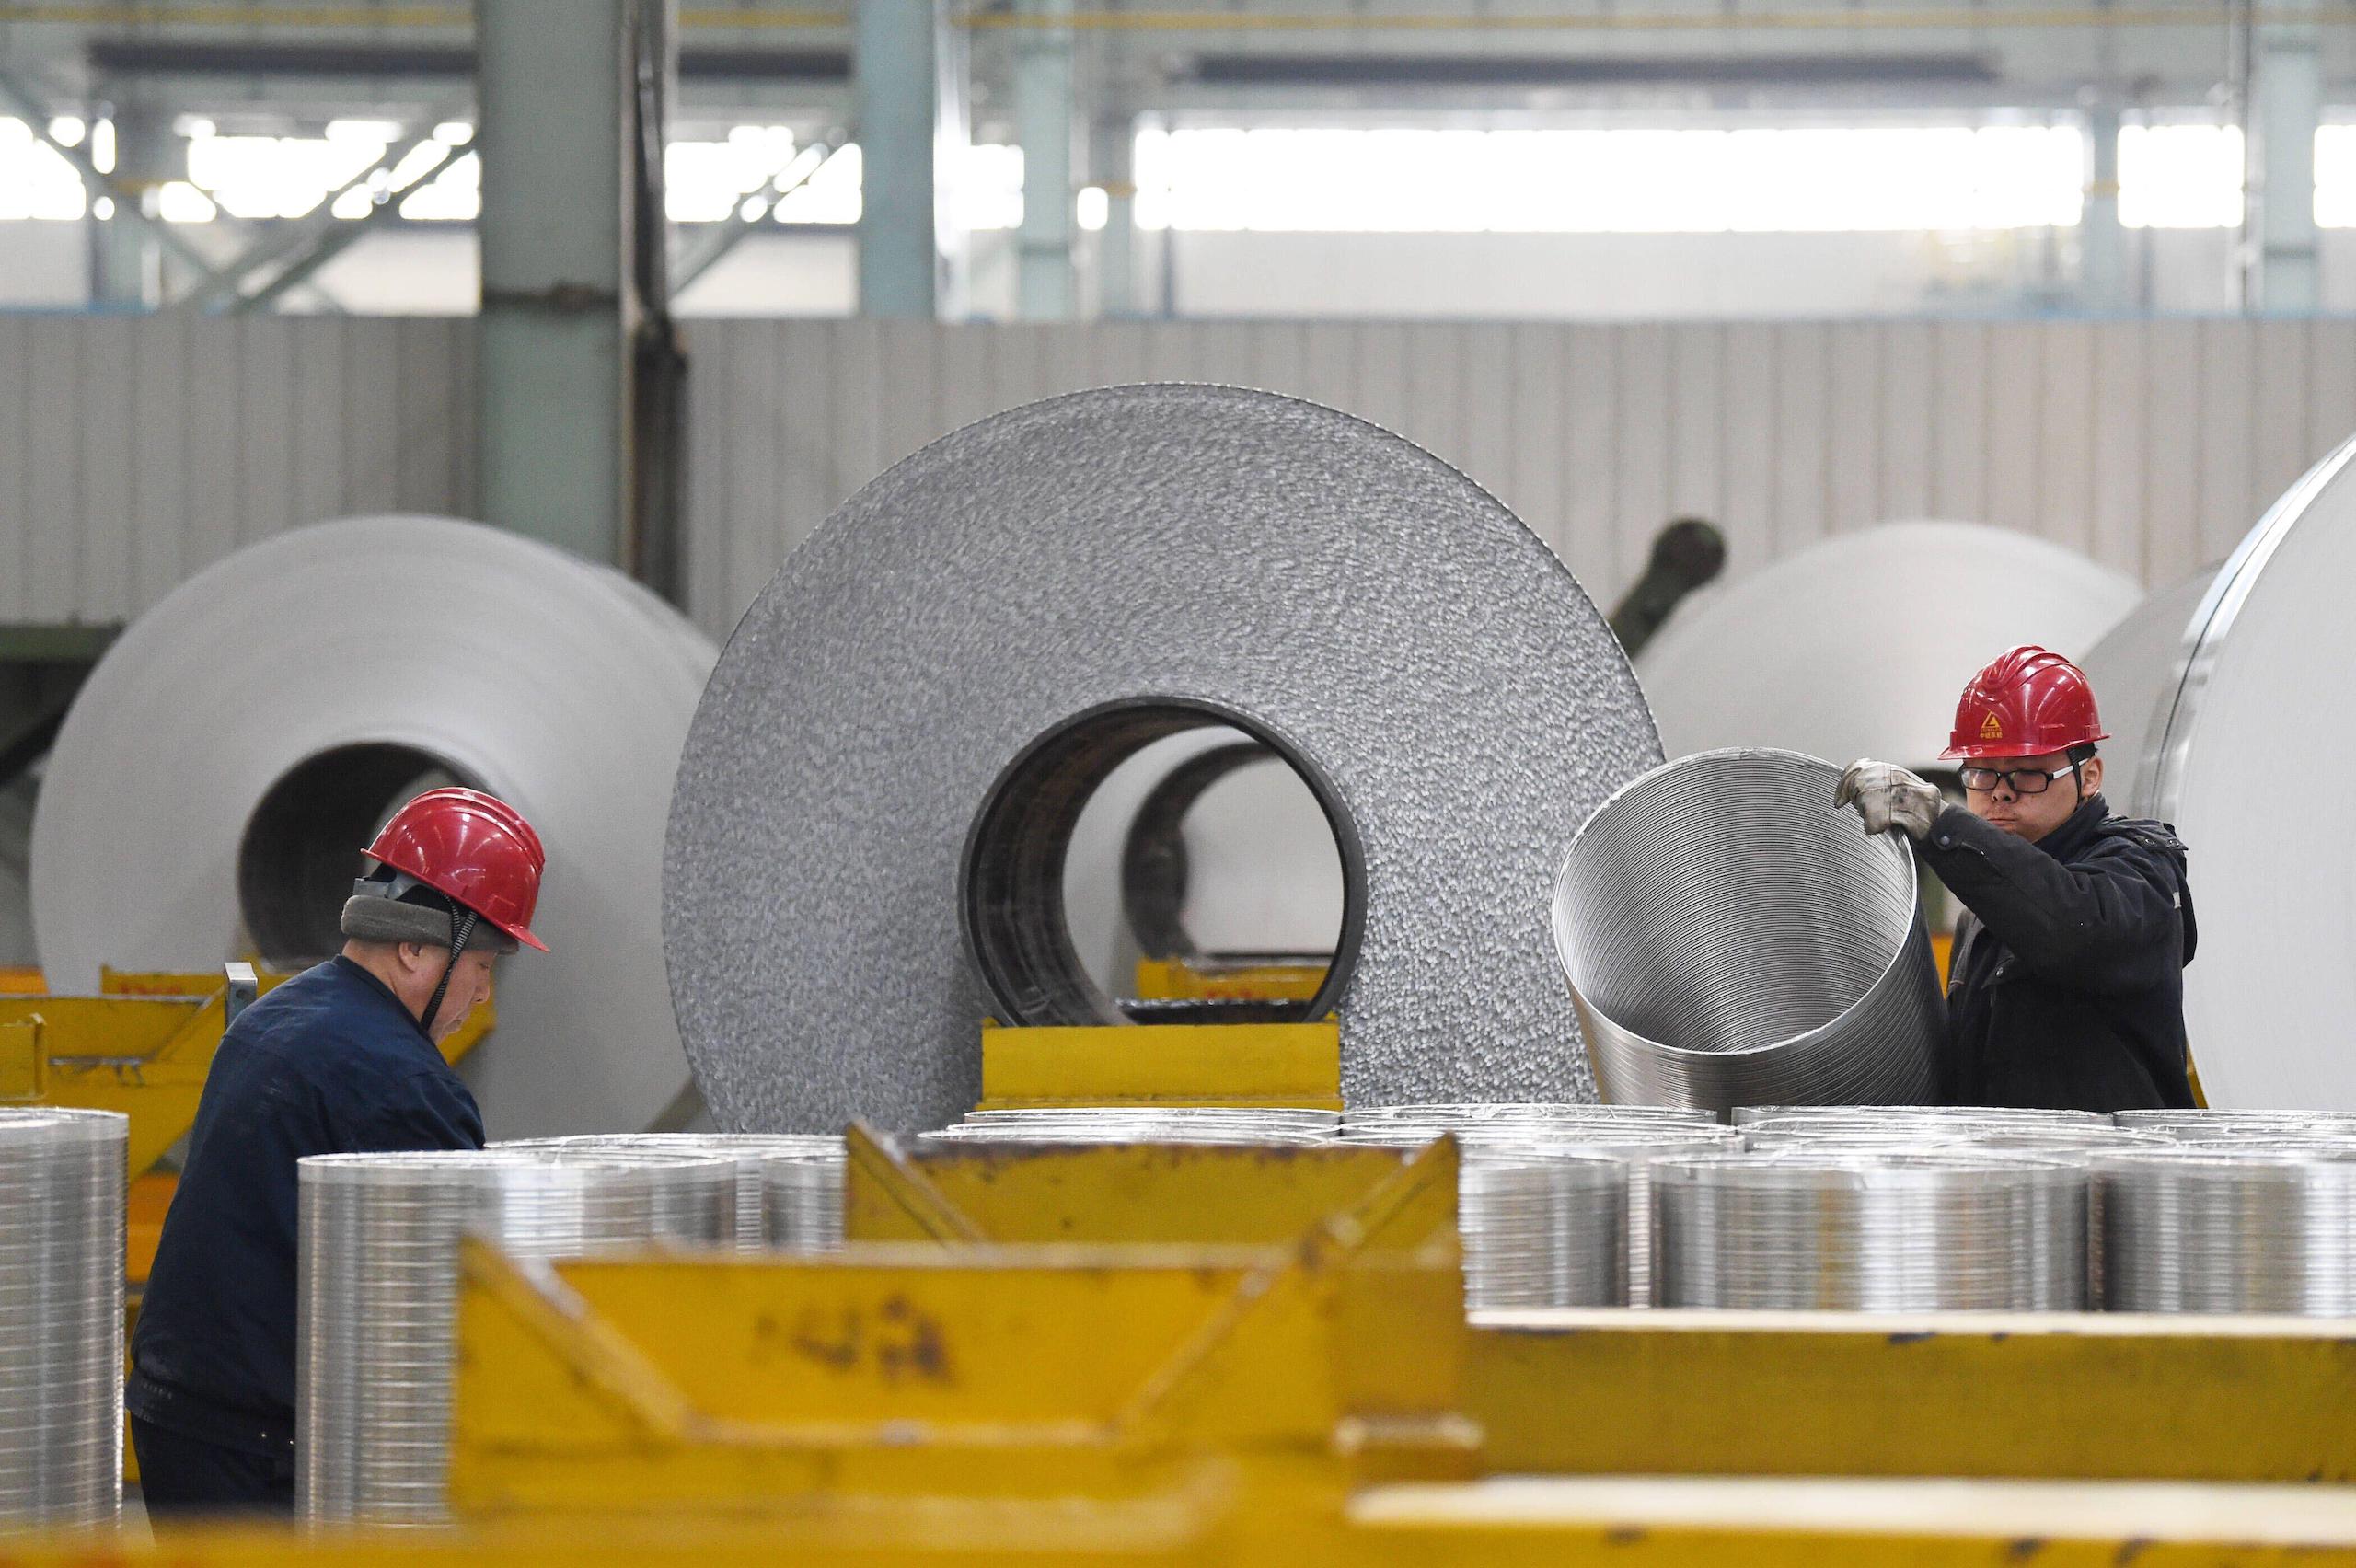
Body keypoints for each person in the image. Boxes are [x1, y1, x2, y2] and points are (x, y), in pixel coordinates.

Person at [126, 787, 547, 1516]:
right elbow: (447, 1309)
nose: (482, 993)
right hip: (262, 1455)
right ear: (416, 946)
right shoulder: (403, 1085)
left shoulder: (277, 1015)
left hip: (179, 1418)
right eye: (482, 966)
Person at [1836, 645, 2196, 1112]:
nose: (2000, 796)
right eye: (1982, 774)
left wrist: (1939, 824)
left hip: (2112, 1179)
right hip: (2017, 1178)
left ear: (2089, 777)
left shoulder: (2140, 870)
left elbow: (2074, 928)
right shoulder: (1983, 917)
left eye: (2027, 775)